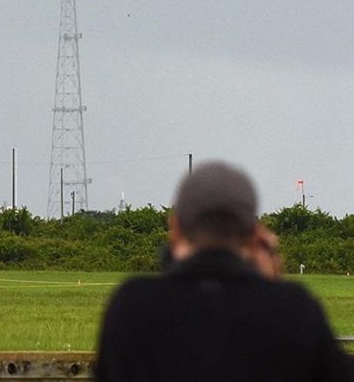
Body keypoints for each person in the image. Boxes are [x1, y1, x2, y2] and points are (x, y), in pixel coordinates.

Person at [96, 161, 351, 382]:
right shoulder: (294, 309)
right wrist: (273, 288)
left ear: (175, 228)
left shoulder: (131, 305)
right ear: (254, 234)